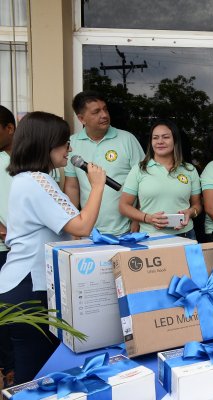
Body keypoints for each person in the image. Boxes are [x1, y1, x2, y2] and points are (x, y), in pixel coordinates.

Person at [0, 112, 105, 384]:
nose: (69, 150)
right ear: (46, 144)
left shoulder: (32, 179)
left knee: (39, 368)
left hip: (24, 285)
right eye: (65, 143)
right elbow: (80, 226)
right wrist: (97, 186)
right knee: (35, 374)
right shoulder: (36, 181)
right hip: (29, 288)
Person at [64, 91, 144, 235]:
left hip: (125, 231)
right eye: (96, 112)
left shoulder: (127, 139)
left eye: (105, 109)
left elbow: (144, 182)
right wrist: (74, 225)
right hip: (89, 232)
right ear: (82, 119)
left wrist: (137, 219)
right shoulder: (72, 143)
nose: (104, 115)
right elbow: (72, 186)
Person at [119, 119, 200, 239]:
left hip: (186, 235)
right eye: (155, 138)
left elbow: (197, 205)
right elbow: (124, 206)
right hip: (151, 237)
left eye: (166, 137)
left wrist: (190, 213)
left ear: (175, 141)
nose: (160, 141)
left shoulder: (189, 170)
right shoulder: (140, 169)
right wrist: (147, 218)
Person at [0, 105, 16, 388]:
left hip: (30, 253)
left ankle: (19, 370)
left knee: (24, 316)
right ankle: (7, 369)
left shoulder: (34, 161)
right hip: (3, 250)